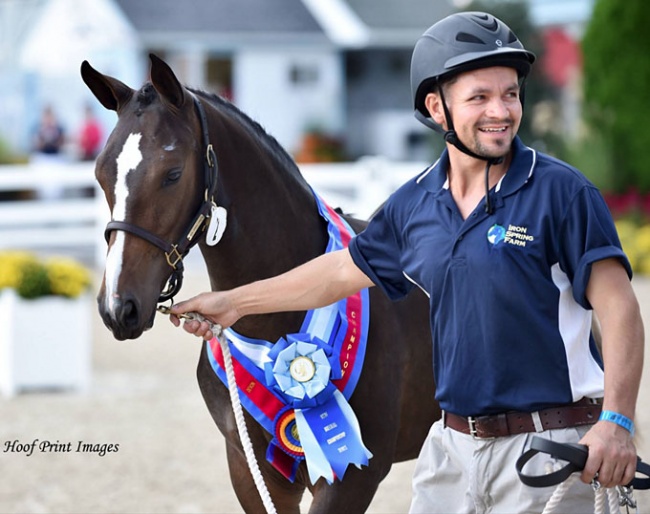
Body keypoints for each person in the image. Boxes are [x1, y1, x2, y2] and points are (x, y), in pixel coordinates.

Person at [170, 12, 644, 513]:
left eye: (510, 94)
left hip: (549, 452)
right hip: (450, 454)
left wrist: (616, 421)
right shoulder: (413, 205)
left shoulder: (563, 193)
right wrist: (232, 303)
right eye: (479, 97)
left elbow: (619, 311)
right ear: (437, 108)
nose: (501, 111)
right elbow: (336, 273)